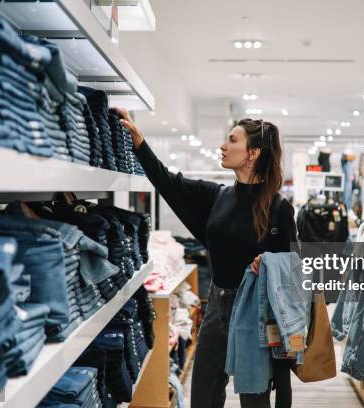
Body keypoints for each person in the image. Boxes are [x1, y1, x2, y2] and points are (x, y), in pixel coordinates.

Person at [117, 108, 297, 408]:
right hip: (217, 305)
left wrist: (268, 263)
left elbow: (293, 267)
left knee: (255, 398)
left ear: (253, 153)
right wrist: (140, 143)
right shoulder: (218, 196)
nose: (223, 146)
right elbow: (167, 182)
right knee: (203, 393)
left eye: (232, 140)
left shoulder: (278, 208)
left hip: (255, 311)